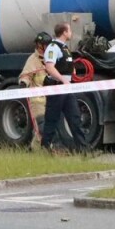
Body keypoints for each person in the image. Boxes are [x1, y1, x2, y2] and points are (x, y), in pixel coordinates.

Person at [40, 22, 87, 153]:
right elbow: (49, 67)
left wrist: (71, 71)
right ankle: (45, 148)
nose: (71, 33)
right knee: (52, 119)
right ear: (64, 32)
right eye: (69, 30)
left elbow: (64, 64)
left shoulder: (64, 48)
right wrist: (63, 79)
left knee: (75, 118)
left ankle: (83, 149)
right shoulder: (53, 47)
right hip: (57, 87)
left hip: (66, 88)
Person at [19, 32, 51, 147]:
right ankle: (39, 151)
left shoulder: (50, 58)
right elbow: (25, 75)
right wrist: (23, 83)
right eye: (45, 45)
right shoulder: (33, 60)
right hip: (37, 100)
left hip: (50, 99)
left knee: (49, 127)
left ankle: (36, 149)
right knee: (41, 126)